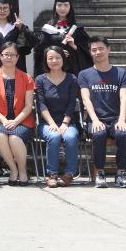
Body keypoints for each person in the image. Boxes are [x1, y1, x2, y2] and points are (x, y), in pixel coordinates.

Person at [78, 36, 126, 188]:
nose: (98, 52)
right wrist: (95, 120)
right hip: (95, 119)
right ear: (90, 52)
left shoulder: (121, 73)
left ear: (108, 49)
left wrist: (122, 120)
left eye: (101, 48)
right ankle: (100, 173)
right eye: (94, 50)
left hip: (115, 119)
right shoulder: (84, 74)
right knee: (99, 134)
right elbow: (86, 99)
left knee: (123, 133)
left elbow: (124, 98)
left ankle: (121, 174)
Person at [0, 42, 35, 185]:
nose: (9, 57)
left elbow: (29, 105)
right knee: (0, 136)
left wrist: (16, 121)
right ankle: (13, 170)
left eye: (12, 55)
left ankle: (23, 171)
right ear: (0, 56)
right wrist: (4, 120)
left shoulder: (26, 78)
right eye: (6, 54)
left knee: (14, 138)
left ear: (18, 57)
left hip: (22, 120)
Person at [35, 46, 80, 187]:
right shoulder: (40, 79)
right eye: (50, 58)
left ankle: (69, 173)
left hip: (68, 122)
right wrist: (52, 123)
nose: (54, 61)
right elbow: (41, 104)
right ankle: (52, 174)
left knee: (70, 137)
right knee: (54, 136)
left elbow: (72, 103)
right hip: (47, 122)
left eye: (57, 57)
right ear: (46, 60)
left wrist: (65, 123)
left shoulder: (72, 78)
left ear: (63, 59)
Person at [33, 0, 92, 75]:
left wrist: (74, 46)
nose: (63, 8)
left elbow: (87, 49)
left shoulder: (76, 28)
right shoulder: (48, 27)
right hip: (53, 69)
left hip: (71, 70)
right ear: (55, 7)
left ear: (70, 7)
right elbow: (40, 49)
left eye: (66, 5)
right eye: (59, 5)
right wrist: (56, 53)